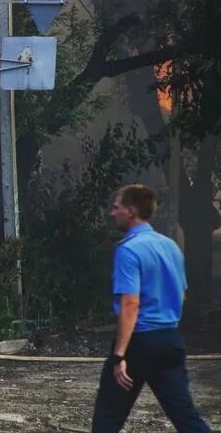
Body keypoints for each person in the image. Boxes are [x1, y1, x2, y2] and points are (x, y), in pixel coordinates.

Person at [91, 184, 212, 432]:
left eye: (117, 207)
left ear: (131, 211)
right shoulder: (171, 247)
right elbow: (181, 294)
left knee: (108, 419)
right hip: (169, 341)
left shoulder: (128, 250)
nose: (112, 213)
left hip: (139, 342)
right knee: (187, 419)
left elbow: (130, 304)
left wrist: (119, 355)